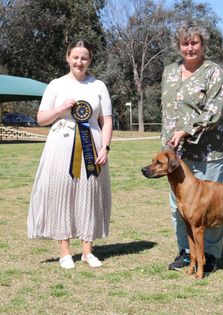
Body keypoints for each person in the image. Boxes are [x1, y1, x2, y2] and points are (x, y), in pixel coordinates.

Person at [28, 39, 113, 270]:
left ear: (90, 60)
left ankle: (87, 251)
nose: (79, 62)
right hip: (61, 144)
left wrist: (105, 148)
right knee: (61, 193)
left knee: (89, 195)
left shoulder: (99, 86)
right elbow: (41, 118)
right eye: (75, 57)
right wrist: (60, 108)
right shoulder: (55, 84)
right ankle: (64, 251)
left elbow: (106, 121)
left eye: (84, 57)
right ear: (67, 57)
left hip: (92, 147)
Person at [161, 21, 223, 273]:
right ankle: (187, 252)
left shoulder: (214, 72)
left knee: (214, 206)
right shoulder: (169, 71)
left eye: (194, 42)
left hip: (209, 151)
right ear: (179, 46)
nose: (189, 48)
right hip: (175, 154)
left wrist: (186, 131)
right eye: (185, 43)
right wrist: (169, 139)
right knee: (178, 207)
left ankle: (209, 254)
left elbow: (215, 109)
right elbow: (167, 110)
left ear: (202, 44)